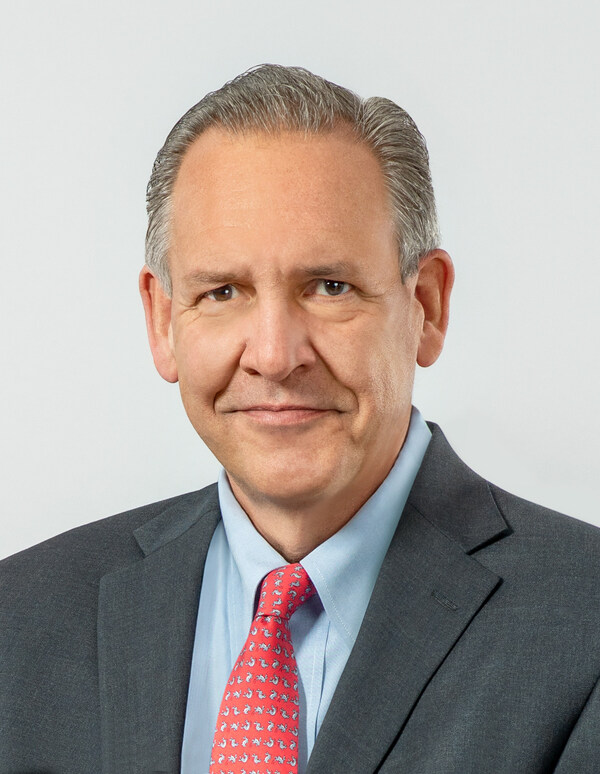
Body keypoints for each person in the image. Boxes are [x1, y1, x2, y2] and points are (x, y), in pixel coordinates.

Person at [1, 65, 599, 774]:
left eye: (329, 286)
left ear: (427, 307)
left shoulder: (582, 627)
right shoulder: (21, 621)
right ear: (163, 321)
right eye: (223, 292)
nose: (275, 356)